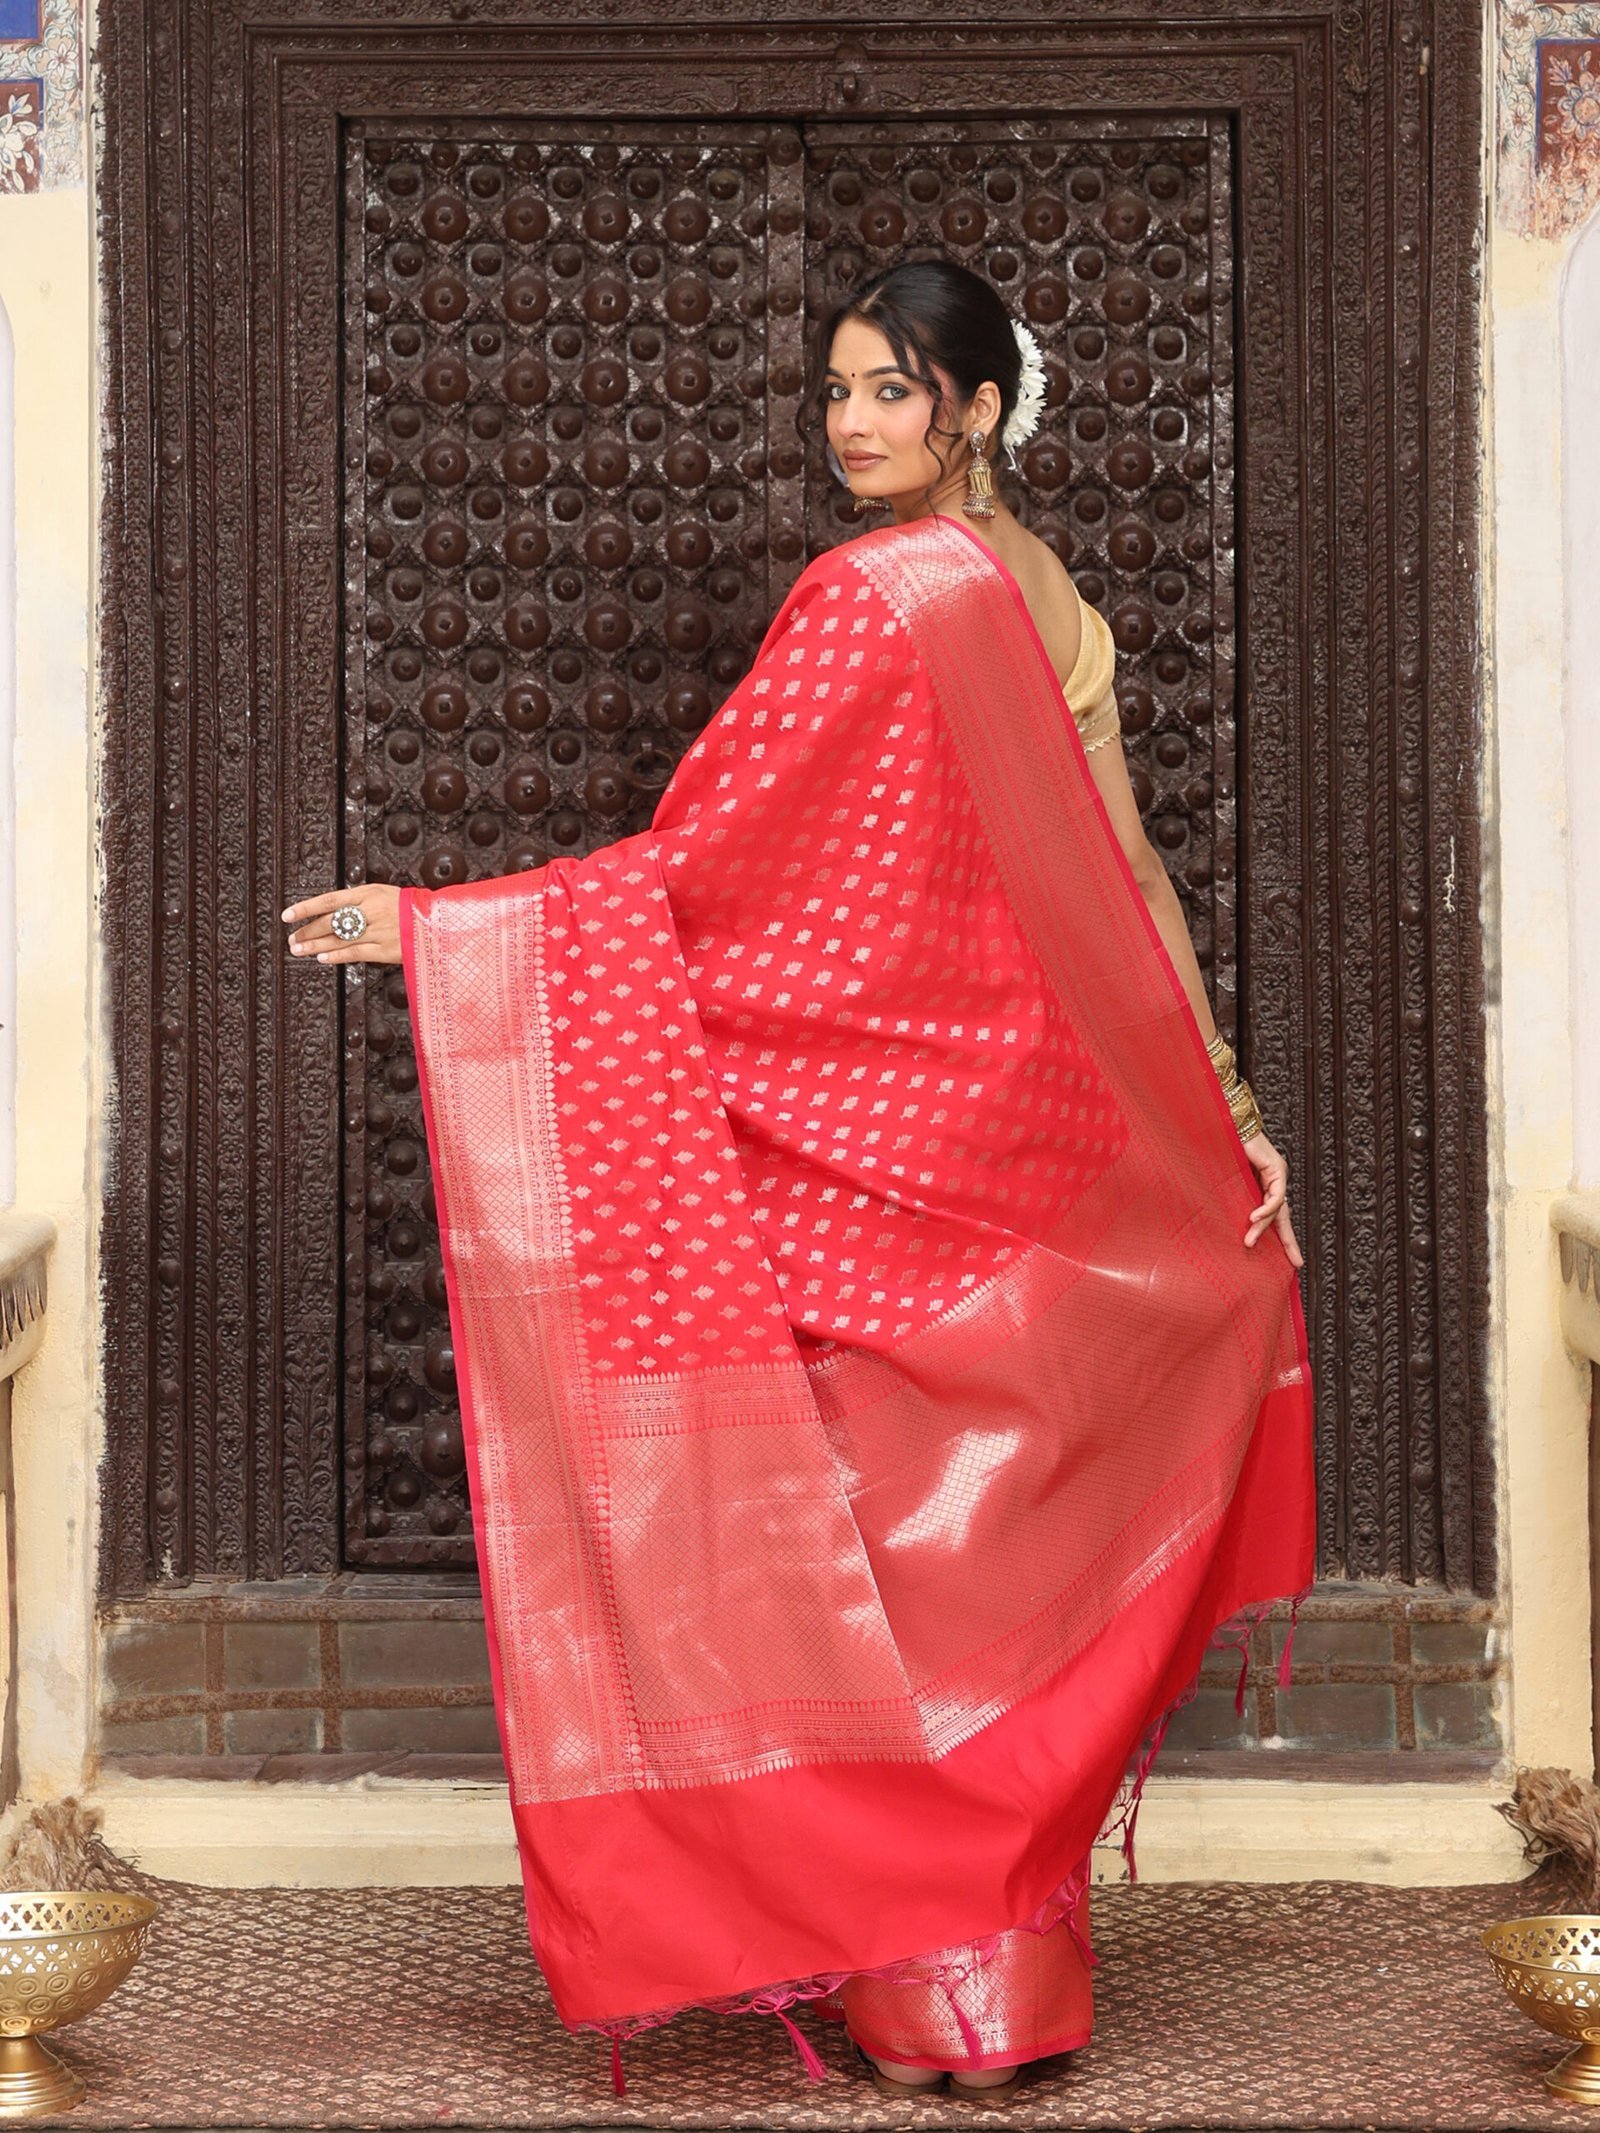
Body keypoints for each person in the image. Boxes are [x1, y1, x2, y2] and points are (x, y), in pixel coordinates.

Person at [284, 256, 1313, 2102]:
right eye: (836, 389)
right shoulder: (1039, 588)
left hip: (920, 1143)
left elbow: (708, 872)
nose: (851, 422)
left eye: (891, 389)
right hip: (1018, 1130)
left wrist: (439, 928)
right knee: (977, 1543)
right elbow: (1131, 880)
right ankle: (988, 1985)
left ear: (977, 408)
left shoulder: (873, 595)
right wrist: (1216, 1099)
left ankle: (929, 1974)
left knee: (879, 1552)